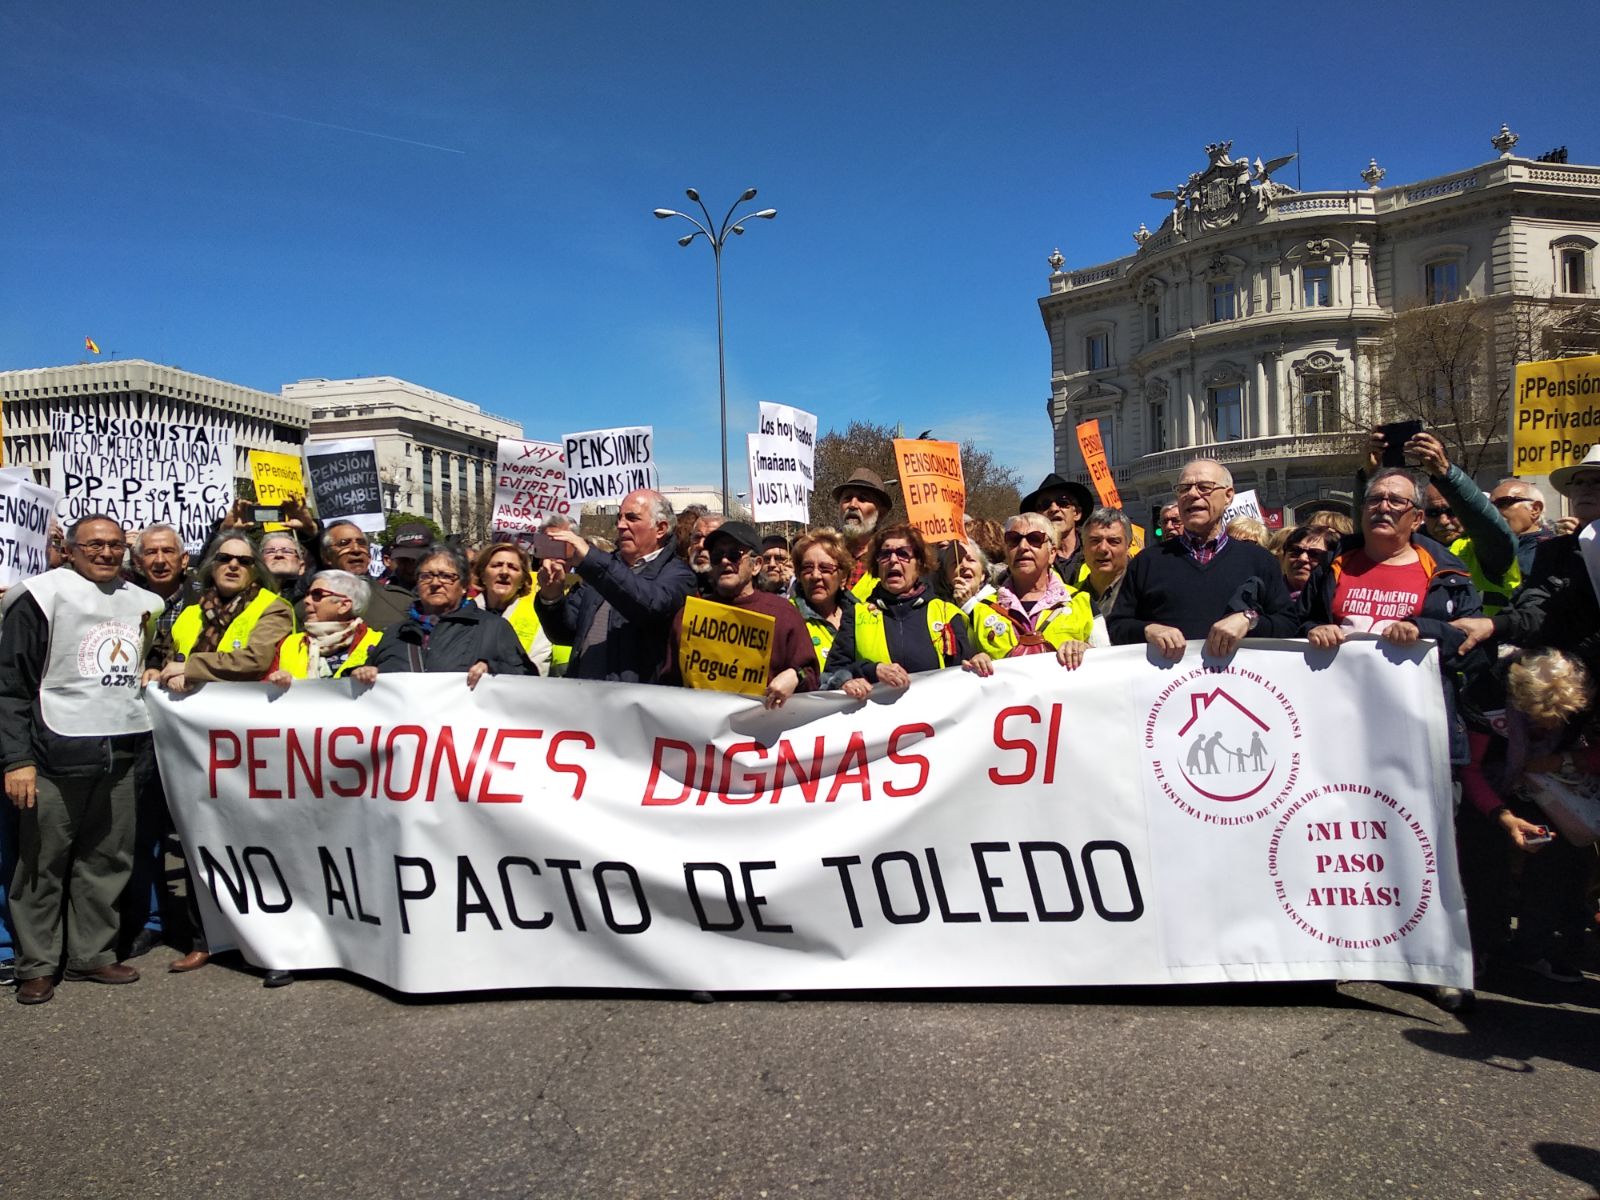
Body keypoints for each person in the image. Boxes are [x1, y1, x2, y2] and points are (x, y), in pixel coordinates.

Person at [1, 515, 164, 1005]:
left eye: (115, 545)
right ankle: (37, 964)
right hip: (53, 752)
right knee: (40, 864)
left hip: (123, 748)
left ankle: (93, 954)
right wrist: (16, 760)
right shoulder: (38, 596)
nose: (106, 553)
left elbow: (148, 660)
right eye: (94, 544)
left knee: (106, 859)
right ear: (69, 549)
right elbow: (10, 686)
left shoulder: (147, 603)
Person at [1109, 458, 1298, 659]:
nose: (1192, 494)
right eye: (1184, 489)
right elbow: (1117, 626)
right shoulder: (1147, 561)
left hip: (1241, 685)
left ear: (1228, 496)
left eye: (1204, 487)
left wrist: (1248, 620)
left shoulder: (1260, 560)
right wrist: (1148, 630)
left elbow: (1288, 623)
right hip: (1168, 686)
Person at [120, 522, 197, 959]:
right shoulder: (125, 602)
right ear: (139, 561)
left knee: (193, 829)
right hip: (139, 730)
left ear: (184, 559)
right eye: (150, 553)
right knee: (144, 828)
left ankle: (199, 923)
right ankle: (150, 919)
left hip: (192, 732)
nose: (160, 560)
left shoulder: (205, 600)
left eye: (169, 551)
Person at [1455, 444, 1600, 671]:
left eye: (1596, 482)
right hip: (1574, 682)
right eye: (1578, 483)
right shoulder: (1554, 551)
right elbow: (1538, 610)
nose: (1585, 489)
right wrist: (1494, 625)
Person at [533, 489, 696, 684]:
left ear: (660, 528)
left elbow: (651, 605)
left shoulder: (679, 575)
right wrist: (552, 598)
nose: (620, 525)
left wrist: (591, 559)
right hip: (584, 700)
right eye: (619, 517)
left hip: (634, 706)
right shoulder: (600, 571)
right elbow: (566, 633)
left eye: (632, 518)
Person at [823, 522, 993, 698]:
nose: (893, 560)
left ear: (919, 564)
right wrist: (869, 671)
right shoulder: (857, 614)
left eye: (903, 554)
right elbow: (831, 674)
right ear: (877, 564)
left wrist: (978, 661)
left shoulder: (947, 613)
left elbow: (964, 669)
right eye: (885, 554)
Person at [663, 522, 818, 708]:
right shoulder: (688, 616)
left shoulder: (783, 614)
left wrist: (794, 676)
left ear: (756, 565)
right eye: (717, 556)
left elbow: (809, 675)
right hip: (702, 730)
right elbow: (669, 685)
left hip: (762, 729)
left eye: (734, 555)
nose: (725, 561)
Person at [1374, 429, 1520, 614]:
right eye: (1433, 512)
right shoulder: (1408, 549)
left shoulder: (1486, 548)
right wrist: (1368, 474)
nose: (1443, 521)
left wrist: (1447, 474)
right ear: (1421, 516)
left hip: (1483, 640)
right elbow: (1370, 537)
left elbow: (1489, 527)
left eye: (1451, 511)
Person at [356, 545, 534, 685]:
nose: (435, 583)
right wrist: (364, 673)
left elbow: (529, 681)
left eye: (446, 576)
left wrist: (494, 669)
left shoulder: (493, 628)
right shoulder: (395, 633)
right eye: (426, 576)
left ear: (464, 585)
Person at [153, 533, 295, 696]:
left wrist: (190, 668)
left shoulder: (273, 607)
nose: (233, 565)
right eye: (224, 558)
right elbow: (167, 659)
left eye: (244, 561)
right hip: (189, 714)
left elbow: (256, 661)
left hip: (245, 711)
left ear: (255, 571)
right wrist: (165, 674)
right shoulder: (191, 612)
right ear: (212, 567)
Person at [969, 513, 1093, 668]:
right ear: (1006, 552)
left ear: (1052, 553)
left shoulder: (1081, 602)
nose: (1023, 547)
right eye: (1013, 539)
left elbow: (1110, 661)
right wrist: (975, 662)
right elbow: (964, 666)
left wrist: (1089, 651)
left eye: (1035, 539)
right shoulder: (982, 610)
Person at [265, 570, 384, 686]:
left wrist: (373, 675)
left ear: (344, 605)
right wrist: (276, 681)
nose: (306, 601)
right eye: (307, 594)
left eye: (317, 595)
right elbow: (264, 690)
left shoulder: (380, 642)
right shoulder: (288, 644)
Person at [472, 541, 554, 675]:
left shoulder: (538, 618)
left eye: (513, 567)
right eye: (496, 565)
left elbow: (537, 671)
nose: (504, 572)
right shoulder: (462, 613)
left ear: (523, 580)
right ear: (482, 574)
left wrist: (494, 668)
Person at [791, 528, 854, 681]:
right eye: (807, 568)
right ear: (798, 575)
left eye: (825, 568)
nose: (815, 576)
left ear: (843, 576)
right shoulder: (787, 615)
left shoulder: (864, 615)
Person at [1018, 473, 1094, 585]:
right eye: (1045, 505)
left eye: (1063, 503)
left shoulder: (1096, 551)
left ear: (1077, 513)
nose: (1053, 508)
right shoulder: (1026, 556)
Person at [835, 468, 895, 600]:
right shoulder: (828, 554)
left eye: (862, 499)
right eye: (847, 498)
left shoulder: (891, 558)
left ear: (881, 513)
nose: (852, 505)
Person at [1079, 507, 1133, 641]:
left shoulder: (1144, 593)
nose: (1103, 549)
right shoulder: (1069, 598)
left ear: (1128, 546)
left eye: (1113, 541)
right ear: (1083, 547)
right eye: (1095, 541)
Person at [1276, 525, 1338, 603]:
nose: (1302, 558)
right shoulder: (1265, 594)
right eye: (1296, 551)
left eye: (1314, 554)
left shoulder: (1337, 600)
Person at [260, 530, 312, 608]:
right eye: (270, 552)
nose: (279, 554)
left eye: (287, 551)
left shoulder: (310, 594)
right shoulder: (248, 596)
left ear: (301, 567)